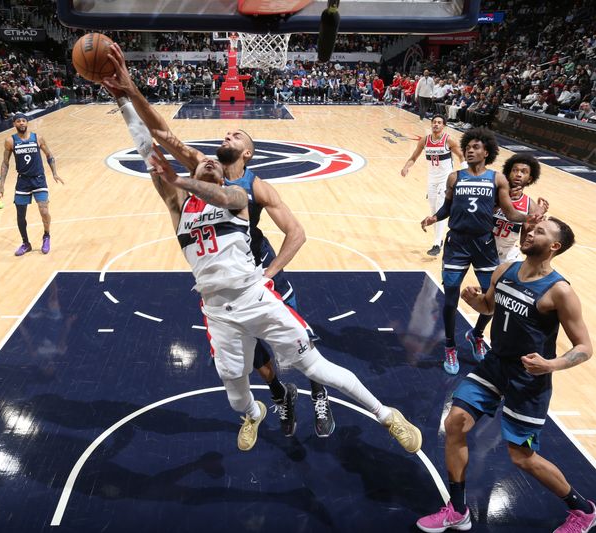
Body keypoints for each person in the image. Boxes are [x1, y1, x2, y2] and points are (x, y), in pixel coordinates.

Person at [103, 45, 336, 439]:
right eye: (226, 131)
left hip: (262, 277)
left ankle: (319, 394)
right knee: (258, 361)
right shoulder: (201, 166)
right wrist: (128, 92)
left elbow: (296, 234)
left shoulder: (254, 184)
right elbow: (162, 134)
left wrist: (270, 272)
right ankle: (280, 395)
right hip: (228, 282)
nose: (226, 133)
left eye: (235, 134)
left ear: (246, 152)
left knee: (299, 352)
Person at [145, 146, 421, 453]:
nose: (209, 161)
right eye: (202, 163)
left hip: (255, 298)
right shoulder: (178, 208)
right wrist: (126, 100)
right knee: (235, 395)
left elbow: (222, 197)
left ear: (224, 177)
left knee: (316, 368)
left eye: (215, 164)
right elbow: (149, 152)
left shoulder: (235, 197)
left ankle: (386, 415)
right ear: (192, 173)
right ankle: (254, 414)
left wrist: (180, 181)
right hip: (218, 312)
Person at [416, 217, 596, 533]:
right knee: (454, 422)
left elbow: (584, 347)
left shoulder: (559, 292)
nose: (529, 232)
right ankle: (458, 510)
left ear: (554, 247)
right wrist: (477, 302)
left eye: (539, 231)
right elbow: (489, 307)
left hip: (528, 379)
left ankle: (582, 510)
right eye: (530, 229)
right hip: (495, 364)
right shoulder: (505, 271)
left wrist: (551, 364)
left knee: (522, 457)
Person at [420, 128, 539, 375]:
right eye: (468, 147)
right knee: (451, 296)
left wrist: (531, 216)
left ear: (487, 152)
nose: (470, 151)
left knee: (493, 298)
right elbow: (448, 208)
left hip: (484, 244)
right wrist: (434, 217)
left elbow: (509, 213)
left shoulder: (497, 179)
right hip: (457, 245)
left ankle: (476, 335)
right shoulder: (454, 177)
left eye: (476, 147)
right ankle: (450, 346)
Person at [0, 114, 64, 256]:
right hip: (23, 181)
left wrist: (54, 173)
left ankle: (46, 236)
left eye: (23, 120)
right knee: (20, 215)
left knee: (44, 210)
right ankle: (25, 243)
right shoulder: (10, 141)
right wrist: (2, 185)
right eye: (18, 121)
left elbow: (49, 155)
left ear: (27, 123)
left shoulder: (37, 138)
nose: (21, 123)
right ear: (14, 124)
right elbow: (5, 163)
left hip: (39, 179)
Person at [401, 114, 465, 256]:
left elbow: (461, 156)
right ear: (431, 124)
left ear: (443, 126)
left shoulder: (448, 140)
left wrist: (466, 171)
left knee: (439, 209)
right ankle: (438, 240)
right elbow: (413, 157)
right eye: (434, 122)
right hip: (431, 179)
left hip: (445, 179)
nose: (436, 124)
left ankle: (437, 243)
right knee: (433, 209)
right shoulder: (425, 140)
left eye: (439, 122)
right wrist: (406, 167)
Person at [493, 154, 548, 264]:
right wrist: (502, 200)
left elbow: (523, 241)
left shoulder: (529, 205)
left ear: (529, 179)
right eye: (515, 170)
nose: (518, 174)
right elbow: (478, 215)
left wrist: (535, 223)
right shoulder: (493, 193)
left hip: (507, 255)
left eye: (524, 172)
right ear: (508, 173)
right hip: (482, 248)